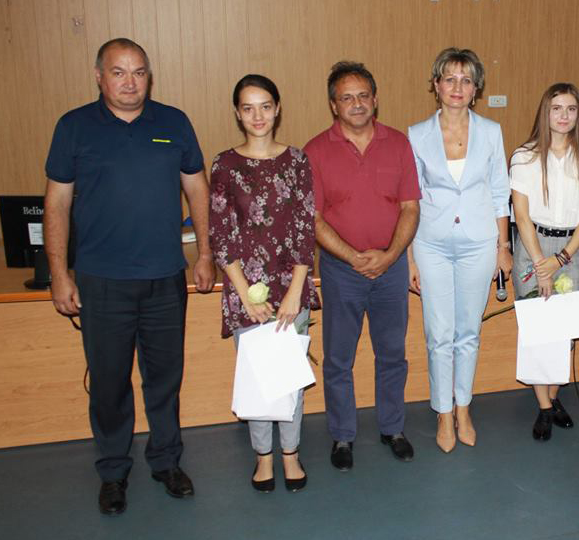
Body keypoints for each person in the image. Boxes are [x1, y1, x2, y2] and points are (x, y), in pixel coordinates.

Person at [42, 38, 215, 515]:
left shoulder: (173, 122)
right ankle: (113, 471)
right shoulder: (74, 127)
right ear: (99, 76)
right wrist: (59, 272)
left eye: (138, 72)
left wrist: (205, 253)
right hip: (102, 281)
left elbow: (197, 188)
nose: (129, 82)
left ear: (149, 77)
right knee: (108, 383)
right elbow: (56, 201)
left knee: (164, 380)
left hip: (164, 278)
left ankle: (166, 461)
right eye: (118, 72)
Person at [303, 61, 420, 471]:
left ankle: (392, 428)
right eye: (346, 97)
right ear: (333, 105)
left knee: (392, 354)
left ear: (375, 99)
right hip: (341, 271)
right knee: (338, 359)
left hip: (391, 268)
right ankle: (342, 436)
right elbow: (314, 219)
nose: (356, 104)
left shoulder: (398, 144)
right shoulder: (315, 151)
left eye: (363, 96)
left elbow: (410, 208)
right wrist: (353, 257)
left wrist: (389, 255)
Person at [209, 74, 319, 493]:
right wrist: (244, 296)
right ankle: (262, 457)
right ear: (238, 113)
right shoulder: (224, 165)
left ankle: (290, 454)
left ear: (277, 109)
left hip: (291, 285)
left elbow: (305, 228)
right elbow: (221, 233)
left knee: (289, 377)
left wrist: (295, 291)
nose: (258, 116)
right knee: (257, 377)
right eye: (248, 107)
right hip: (246, 291)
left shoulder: (297, 161)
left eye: (265, 106)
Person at [407, 48, 511, 453]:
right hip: (430, 243)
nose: (457, 87)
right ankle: (443, 412)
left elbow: (499, 192)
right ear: (436, 85)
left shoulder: (491, 132)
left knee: (469, 330)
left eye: (466, 80)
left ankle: (463, 407)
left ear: (476, 88)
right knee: (439, 333)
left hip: (479, 242)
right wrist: (410, 257)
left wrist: (503, 247)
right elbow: (410, 200)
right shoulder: (416, 134)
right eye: (449, 78)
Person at [510, 83, 579, 441]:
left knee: (563, 332)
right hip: (533, 245)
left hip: (571, 247)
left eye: (571, 109)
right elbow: (521, 215)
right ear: (545, 113)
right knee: (538, 330)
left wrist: (562, 257)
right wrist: (541, 264)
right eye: (557, 108)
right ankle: (545, 407)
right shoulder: (525, 157)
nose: (564, 116)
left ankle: (551, 396)